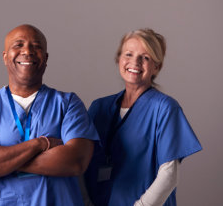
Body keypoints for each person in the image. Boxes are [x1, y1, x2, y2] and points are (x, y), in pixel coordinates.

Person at [0, 24, 99, 206]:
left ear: (45, 58)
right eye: (18, 45)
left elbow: (76, 161)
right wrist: (40, 143)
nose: (27, 51)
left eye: (36, 46)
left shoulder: (68, 104)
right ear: (5, 57)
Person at [83, 28, 202, 206]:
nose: (135, 62)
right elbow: (80, 161)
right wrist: (85, 201)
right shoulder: (99, 108)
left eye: (145, 57)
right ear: (118, 59)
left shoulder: (165, 108)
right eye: (129, 54)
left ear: (156, 66)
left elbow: (169, 176)